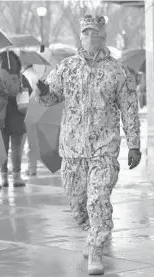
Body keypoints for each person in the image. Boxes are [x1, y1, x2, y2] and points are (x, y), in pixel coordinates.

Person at [35, 15, 141, 275]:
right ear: (80, 36)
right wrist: (42, 91)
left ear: (103, 37)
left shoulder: (117, 72)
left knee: (98, 198)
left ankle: (96, 248)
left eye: (95, 33)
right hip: (72, 149)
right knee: (78, 202)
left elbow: (129, 109)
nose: (90, 37)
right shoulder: (67, 67)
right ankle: (93, 229)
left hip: (104, 148)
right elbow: (50, 99)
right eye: (86, 32)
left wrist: (135, 144)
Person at [0, 50, 32, 187]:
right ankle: (17, 177)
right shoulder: (20, 77)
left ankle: (3, 177)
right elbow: (29, 93)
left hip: (2, 117)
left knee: (3, 148)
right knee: (17, 148)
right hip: (18, 117)